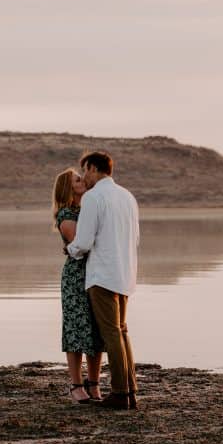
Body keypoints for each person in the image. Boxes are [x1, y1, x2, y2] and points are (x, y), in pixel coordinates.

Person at [66, 151, 140, 410]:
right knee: (122, 331)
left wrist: (70, 250)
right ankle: (130, 391)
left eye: (85, 170)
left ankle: (120, 393)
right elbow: (135, 238)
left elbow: (84, 241)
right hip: (125, 273)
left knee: (111, 334)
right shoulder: (127, 196)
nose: (84, 176)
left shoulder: (94, 197)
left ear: (95, 168)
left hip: (103, 275)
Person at [52, 168, 104, 403]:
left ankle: (94, 384)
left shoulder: (90, 208)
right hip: (75, 277)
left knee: (96, 330)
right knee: (75, 330)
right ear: (68, 187)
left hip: (96, 273)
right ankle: (75, 385)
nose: (82, 180)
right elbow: (79, 243)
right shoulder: (66, 213)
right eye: (77, 179)